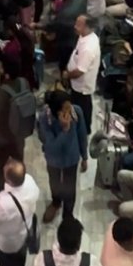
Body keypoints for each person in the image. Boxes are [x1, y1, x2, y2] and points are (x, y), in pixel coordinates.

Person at [37, 91, 88, 224]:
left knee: (70, 186)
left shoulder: (76, 112)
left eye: (69, 106)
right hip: (53, 159)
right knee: (55, 182)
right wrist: (65, 130)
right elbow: (51, 146)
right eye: (65, 108)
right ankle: (56, 202)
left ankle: (68, 213)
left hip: (71, 158)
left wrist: (85, 156)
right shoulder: (45, 118)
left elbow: (82, 135)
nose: (69, 110)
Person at [64, 13, 100, 134]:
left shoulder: (88, 48)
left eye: (79, 25)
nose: (75, 26)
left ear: (87, 27)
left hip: (82, 85)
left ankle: (84, 129)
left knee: (83, 106)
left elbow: (80, 71)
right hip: (76, 83)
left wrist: (67, 75)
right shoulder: (84, 36)